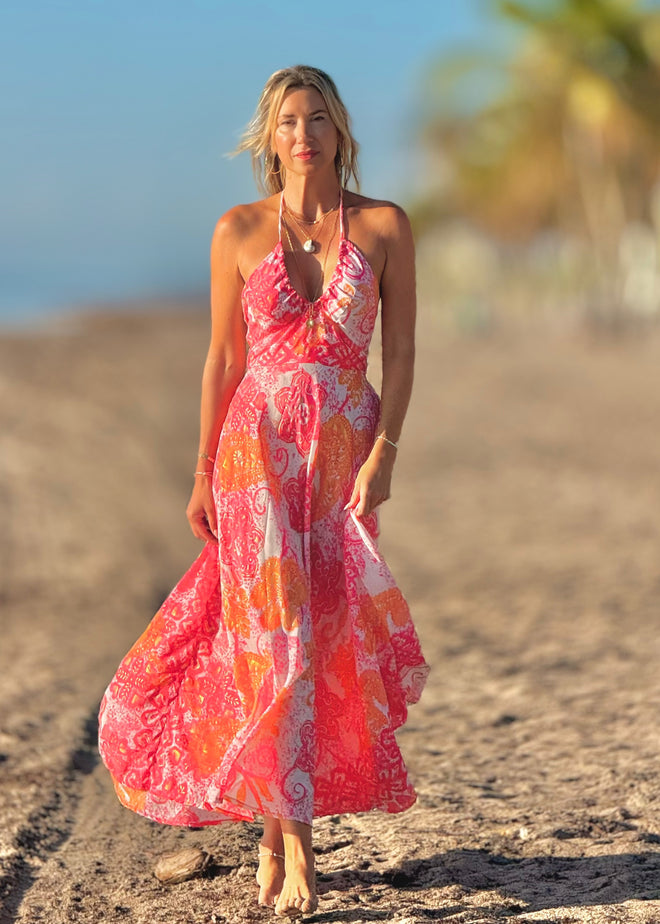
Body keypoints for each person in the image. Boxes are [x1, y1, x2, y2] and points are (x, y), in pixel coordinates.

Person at [98, 64, 429, 918]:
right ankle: (295, 846)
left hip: (339, 457)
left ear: (340, 130)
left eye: (318, 118)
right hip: (255, 458)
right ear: (269, 136)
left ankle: (282, 826)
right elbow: (223, 361)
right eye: (288, 121)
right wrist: (202, 471)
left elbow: (401, 354)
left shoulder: (386, 226)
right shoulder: (237, 231)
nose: (303, 134)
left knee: (320, 643)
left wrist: (385, 452)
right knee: (271, 643)